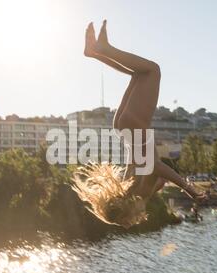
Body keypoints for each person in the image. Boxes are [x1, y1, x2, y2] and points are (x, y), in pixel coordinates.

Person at [72, 21, 207, 228]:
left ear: (127, 209)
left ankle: (102, 49)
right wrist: (161, 184)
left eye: (130, 220)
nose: (136, 219)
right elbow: (155, 175)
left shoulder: (139, 193)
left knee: (153, 70)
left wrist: (188, 188)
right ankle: (95, 52)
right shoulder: (130, 189)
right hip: (122, 125)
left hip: (135, 124)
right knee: (139, 72)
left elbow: (155, 166)